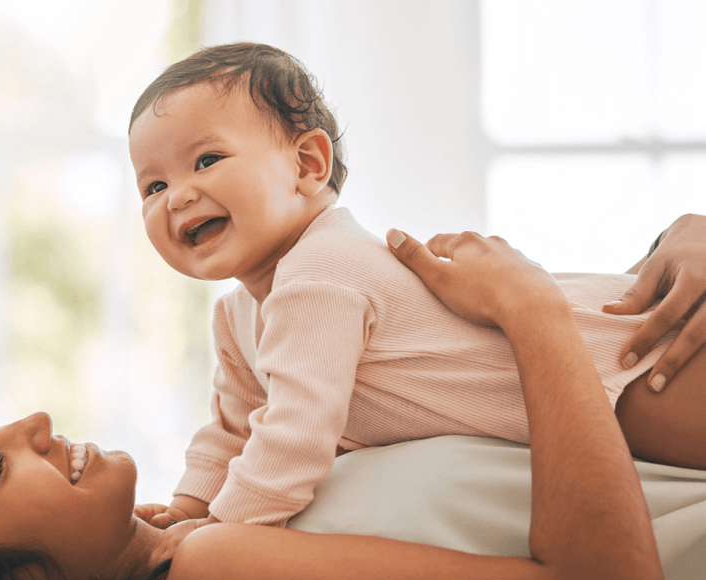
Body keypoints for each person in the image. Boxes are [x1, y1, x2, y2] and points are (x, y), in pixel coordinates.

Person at [0, 230, 683, 580]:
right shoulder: (214, 564)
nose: (33, 422)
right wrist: (529, 313)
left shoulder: (210, 525)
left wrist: (670, 245)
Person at [127, 43, 706, 539]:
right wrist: (188, 506)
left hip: (631, 363)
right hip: (589, 382)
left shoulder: (320, 273)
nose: (176, 196)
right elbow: (235, 428)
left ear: (308, 164)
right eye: (154, 185)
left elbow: (294, 439)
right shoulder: (238, 315)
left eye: (207, 160)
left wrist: (219, 535)